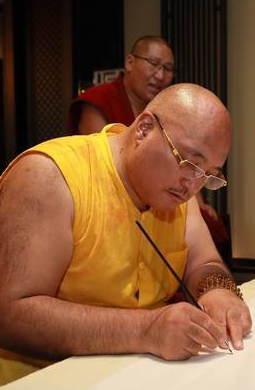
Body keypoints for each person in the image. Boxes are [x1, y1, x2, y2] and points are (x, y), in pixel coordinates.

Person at [0, 84, 252, 390]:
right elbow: (13, 317)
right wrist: (148, 329)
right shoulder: (49, 177)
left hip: (117, 363)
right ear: (144, 129)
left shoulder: (177, 189)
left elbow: (205, 262)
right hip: (6, 377)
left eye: (208, 175)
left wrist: (218, 293)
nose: (193, 186)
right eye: (188, 162)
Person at [68, 35, 228, 260]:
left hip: (161, 200)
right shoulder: (99, 100)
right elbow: (100, 161)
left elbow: (188, 160)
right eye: (153, 64)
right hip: (112, 200)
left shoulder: (167, 110)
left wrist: (197, 204)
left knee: (209, 228)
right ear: (130, 62)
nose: (160, 75)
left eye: (168, 68)